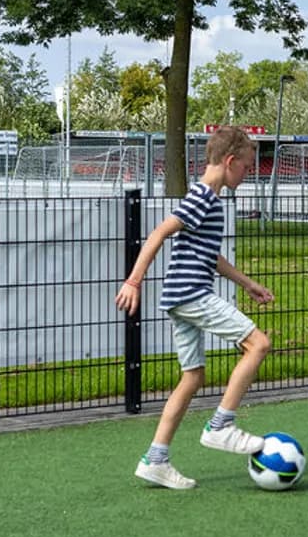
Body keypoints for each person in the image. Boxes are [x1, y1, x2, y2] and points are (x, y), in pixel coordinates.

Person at [115, 126, 273, 489]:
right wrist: (134, 280)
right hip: (190, 294)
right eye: (247, 168)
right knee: (258, 344)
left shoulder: (209, 200)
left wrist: (246, 283)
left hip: (181, 296)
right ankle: (221, 426)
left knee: (192, 377)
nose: (248, 175)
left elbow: (210, 255)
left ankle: (156, 459)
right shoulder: (202, 197)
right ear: (230, 162)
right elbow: (159, 233)